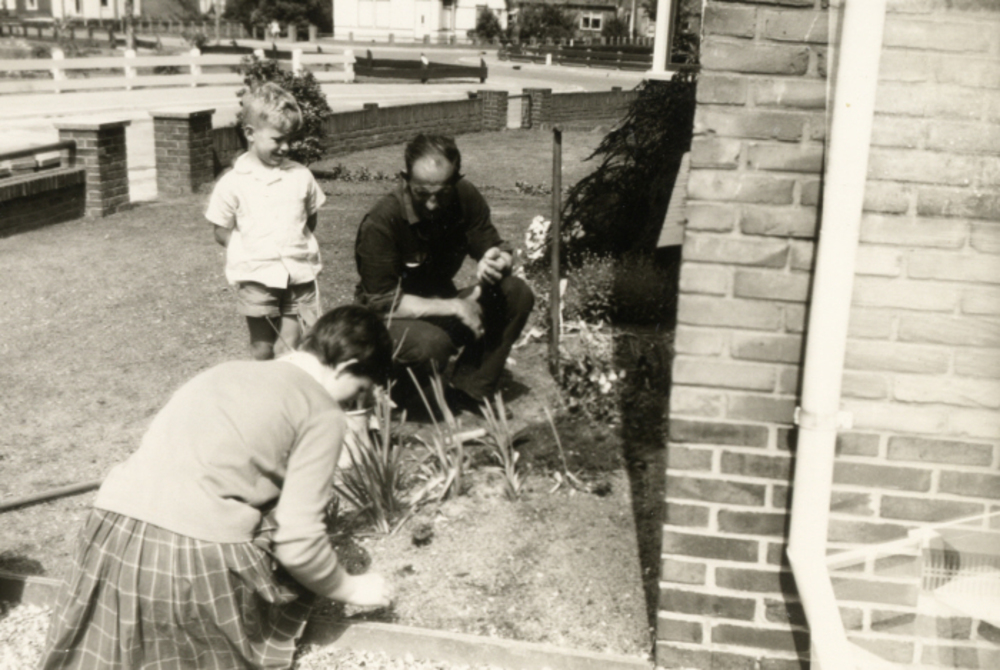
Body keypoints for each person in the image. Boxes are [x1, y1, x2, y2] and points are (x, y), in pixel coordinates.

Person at [39, 305, 394, 670]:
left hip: (108, 536)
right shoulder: (322, 412)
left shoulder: (226, 371)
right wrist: (349, 588)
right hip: (191, 556)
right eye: (357, 392)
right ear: (347, 367)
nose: (347, 404)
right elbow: (298, 542)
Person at [354, 134, 534, 415]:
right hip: (387, 321)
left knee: (515, 293)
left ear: (455, 179)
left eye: (442, 193)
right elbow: (382, 302)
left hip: (439, 309)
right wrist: (456, 307)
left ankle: (472, 390)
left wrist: (497, 260)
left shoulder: (465, 196)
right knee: (431, 344)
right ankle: (386, 394)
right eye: (422, 193)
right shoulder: (382, 221)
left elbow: (494, 245)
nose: (432, 204)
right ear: (405, 178)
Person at [206, 81, 327, 361]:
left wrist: (292, 243)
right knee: (262, 348)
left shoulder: (301, 176)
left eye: (289, 140)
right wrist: (247, 249)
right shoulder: (233, 183)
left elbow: (310, 219)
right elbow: (220, 229)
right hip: (257, 276)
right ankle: (262, 381)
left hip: (298, 274)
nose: (285, 147)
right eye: (277, 139)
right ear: (250, 133)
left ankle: (287, 384)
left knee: (291, 347)